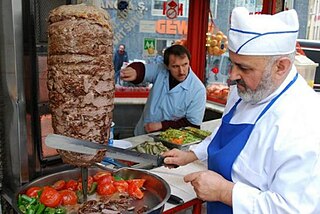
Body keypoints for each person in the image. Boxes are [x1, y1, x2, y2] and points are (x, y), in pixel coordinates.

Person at [162, 7, 320, 213]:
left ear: (281, 66)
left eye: (244, 68)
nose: (233, 75)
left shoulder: (305, 121)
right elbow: (222, 135)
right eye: (232, 63)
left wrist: (225, 192)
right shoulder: (243, 90)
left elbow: (294, 208)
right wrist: (192, 154)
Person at [120, 44, 206, 136]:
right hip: (141, 135)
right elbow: (142, 70)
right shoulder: (160, 70)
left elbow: (192, 125)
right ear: (167, 66)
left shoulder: (198, 90)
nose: (182, 71)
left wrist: (162, 125)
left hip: (170, 142)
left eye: (185, 65)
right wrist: (134, 71)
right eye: (175, 66)